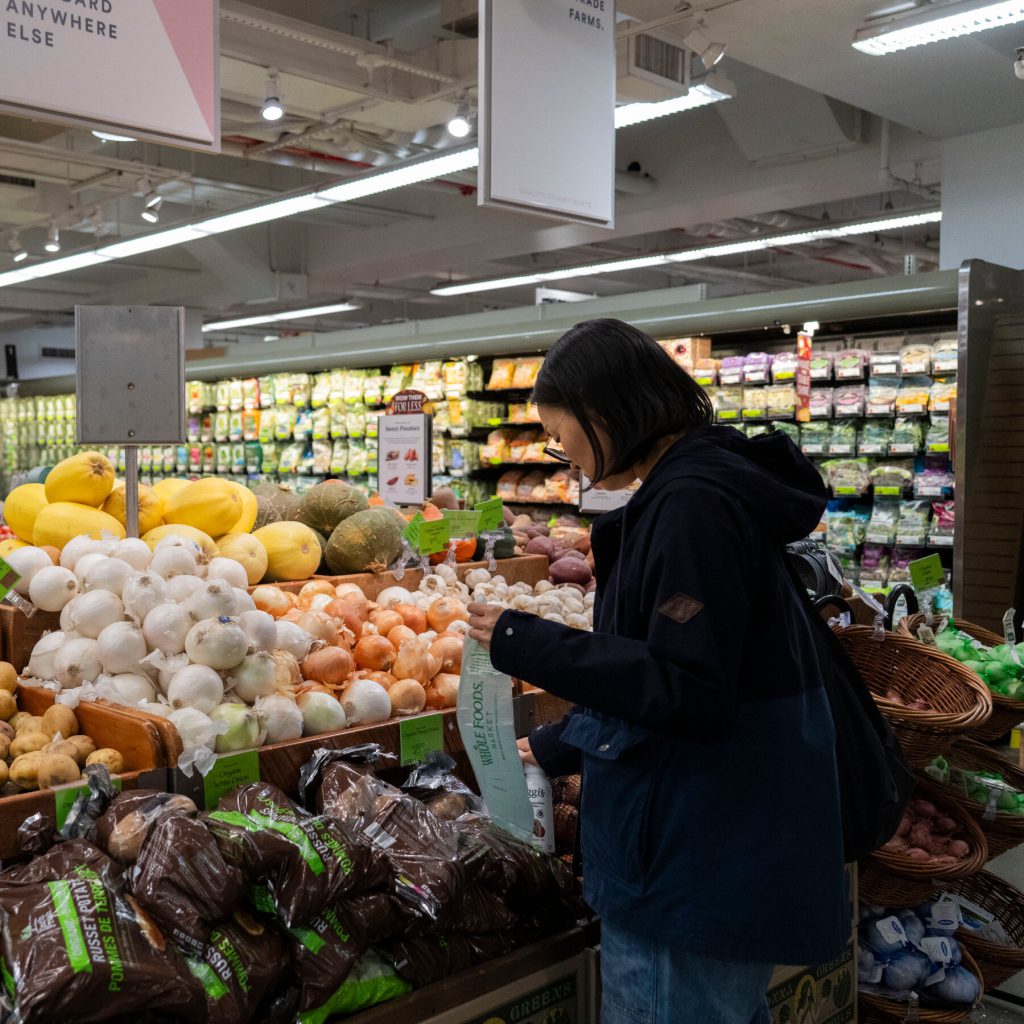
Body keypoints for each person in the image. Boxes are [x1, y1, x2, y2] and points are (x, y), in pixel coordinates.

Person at [467, 319, 849, 1024]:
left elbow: (686, 688)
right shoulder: (697, 486)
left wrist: (528, 641)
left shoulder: (692, 506)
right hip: (717, 838)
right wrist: (556, 744)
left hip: (690, 855)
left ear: (605, 413)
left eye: (563, 433)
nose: (564, 455)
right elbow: (682, 666)